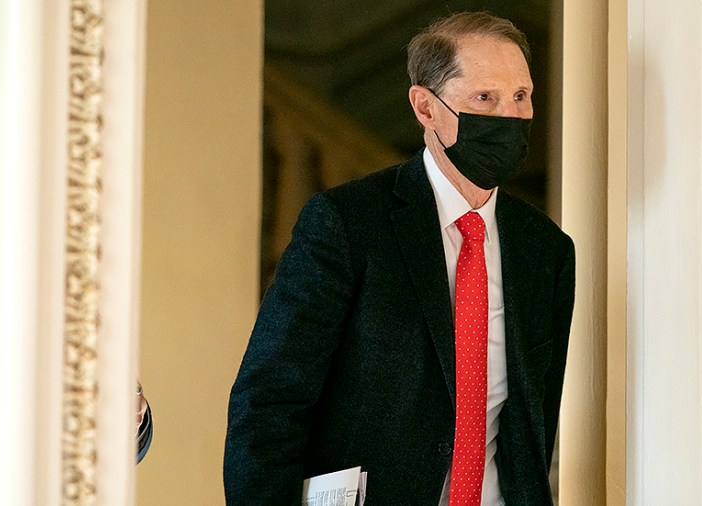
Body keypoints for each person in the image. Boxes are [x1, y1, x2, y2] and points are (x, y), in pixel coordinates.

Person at [224, 12, 575, 505]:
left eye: (521, 96)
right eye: (484, 98)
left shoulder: (546, 251)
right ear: (425, 108)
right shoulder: (346, 223)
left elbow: (536, 424)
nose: (510, 116)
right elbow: (270, 402)